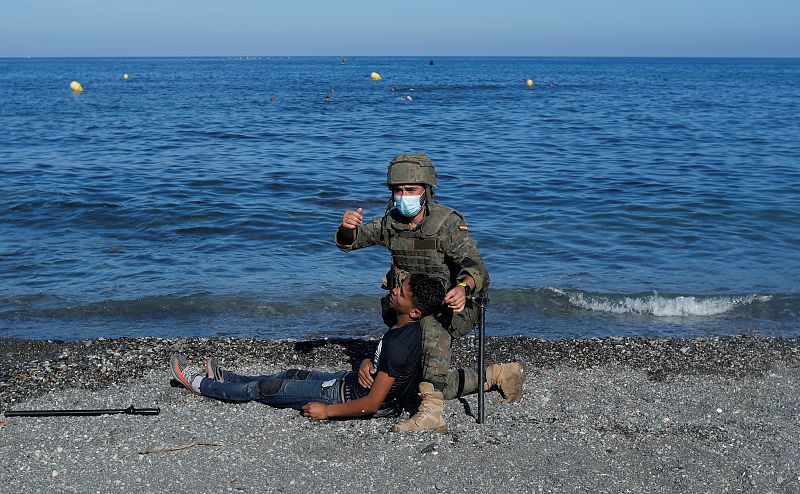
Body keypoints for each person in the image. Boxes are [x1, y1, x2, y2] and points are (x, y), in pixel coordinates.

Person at [335, 153, 524, 433]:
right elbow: (353, 241)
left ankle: (432, 414)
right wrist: (347, 229)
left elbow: (475, 267)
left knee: (430, 325)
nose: (404, 196)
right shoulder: (391, 223)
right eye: (398, 190)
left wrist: (463, 288)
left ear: (426, 191)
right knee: (414, 384)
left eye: (410, 189)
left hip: (454, 306)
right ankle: (497, 374)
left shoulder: (446, 224)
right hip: (409, 307)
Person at [170, 273, 444, 420]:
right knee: (290, 374)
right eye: (399, 286)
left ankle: (200, 384)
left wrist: (327, 411)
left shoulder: (400, 344)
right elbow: (389, 368)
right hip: (349, 382)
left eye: (401, 293)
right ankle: (228, 378)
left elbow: (372, 403)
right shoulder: (406, 327)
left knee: (265, 389)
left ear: (415, 312)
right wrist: (365, 363)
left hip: (344, 397)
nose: (394, 290)